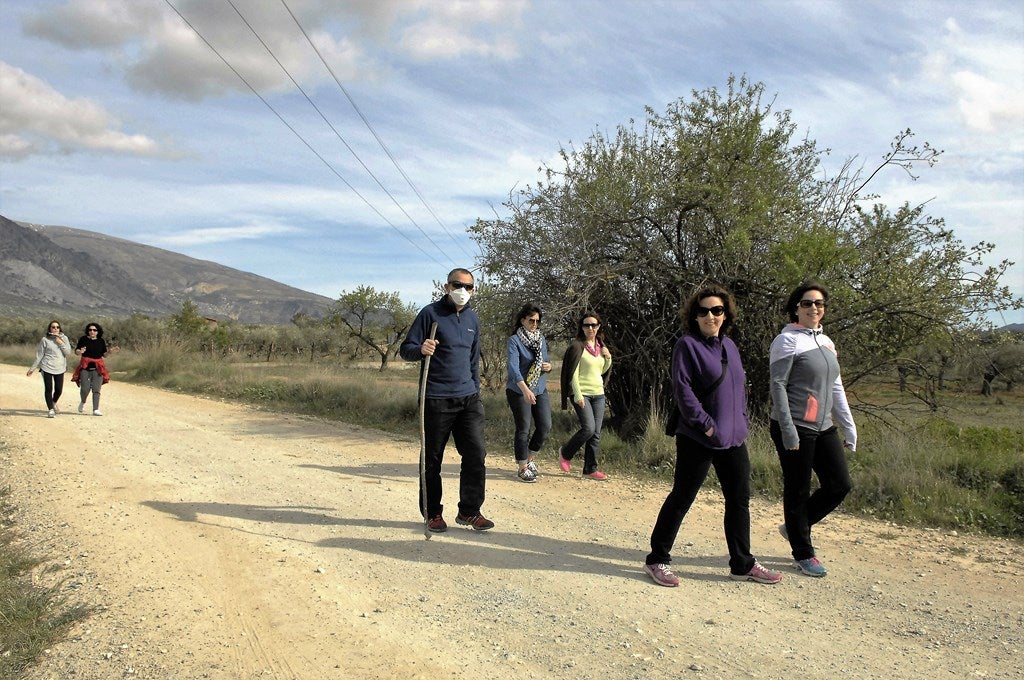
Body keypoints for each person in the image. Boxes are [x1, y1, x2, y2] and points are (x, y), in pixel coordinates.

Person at [644, 285, 783, 587]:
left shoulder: (729, 346)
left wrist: (742, 422)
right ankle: (657, 559)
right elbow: (683, 390)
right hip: (699, 436)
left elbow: (738, 389)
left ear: (725, 314)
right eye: (703, 311)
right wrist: (707, 425)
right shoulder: (687, 345)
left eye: (717, 310)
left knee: (739, 500)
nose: (710, 316)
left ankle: (742, 564)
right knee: (682, 497)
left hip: (733, 438)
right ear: (694, 316)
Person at [769, 281, 857, 577]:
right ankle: (804, 553)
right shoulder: (787, 341)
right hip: (794, 424)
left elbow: (835, 386)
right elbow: (778, 386)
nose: (814, 308)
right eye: (807, 303)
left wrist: (848, 425)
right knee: (798, 488)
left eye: (819, 303)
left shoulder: (827, 342)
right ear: (796, 308)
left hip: (824, 426)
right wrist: (788, 428)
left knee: (839, 484)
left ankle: (795, 525)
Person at [400, 268, 494, 533]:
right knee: (431, 459)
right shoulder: (430, 314)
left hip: (468, 399)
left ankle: (469, 511)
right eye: (458, 285)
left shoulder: (473, 319)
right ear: (446, 286)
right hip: (436, 398)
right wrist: (420, 349)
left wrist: (476, 391)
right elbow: (405, 350)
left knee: (476, 454)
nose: (463, 291)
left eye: (469, 287)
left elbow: (473, 359)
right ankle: (432, 513)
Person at [558, 311, 612, 480]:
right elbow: (573, 372)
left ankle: (590, 468)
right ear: (582, 327)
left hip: (599, 394)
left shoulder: (600, 346)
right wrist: (578, 395)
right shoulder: (577, 346)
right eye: (587, 325)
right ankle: (566, 453)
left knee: (595, 433)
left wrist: (608, 359)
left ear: (598, 327)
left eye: (593, 325)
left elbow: (601, 371)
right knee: (588, 428)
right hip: (583, 393)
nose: (590, 328)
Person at [505, 303, 553, 483]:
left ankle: (531, 458)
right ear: (522, 320)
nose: (534, 324)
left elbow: (545, 362)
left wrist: (548, 367)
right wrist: (525, 390)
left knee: (545, 425)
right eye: (531, 320)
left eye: (537, 321)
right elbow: (513, 368)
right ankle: (522, 466)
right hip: (518, 389)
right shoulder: (514, 341)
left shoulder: (540, 339)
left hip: (539, 388)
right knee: (524, 428)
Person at [26, 320, 72, 418]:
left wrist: (60, 343)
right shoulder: (45, 340)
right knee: (48, 389)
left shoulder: (64, 338)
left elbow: (68, 353)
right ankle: (50, 409)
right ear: (49, 328)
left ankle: (54, 402)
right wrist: (32, 368)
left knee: (59, 389)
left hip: (60, 367)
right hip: (46, 367)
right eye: (53, 327)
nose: (55, 329)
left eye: (57, 327)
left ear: (60, 329)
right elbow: (40, 355)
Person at [73, 322, 119, 416]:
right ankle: (83, 401)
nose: (92, 331)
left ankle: (95, 409)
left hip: (98, 368)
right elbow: (76, 351)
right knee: (85, 389)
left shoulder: (101, 341)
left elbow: (104, 355)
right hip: (85, 367)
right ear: (88, 331)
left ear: (98, 332)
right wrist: (80, 351)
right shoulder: (83, 339)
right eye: (90, 330)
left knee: (96, 389)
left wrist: (110, 352)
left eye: (94, 330)